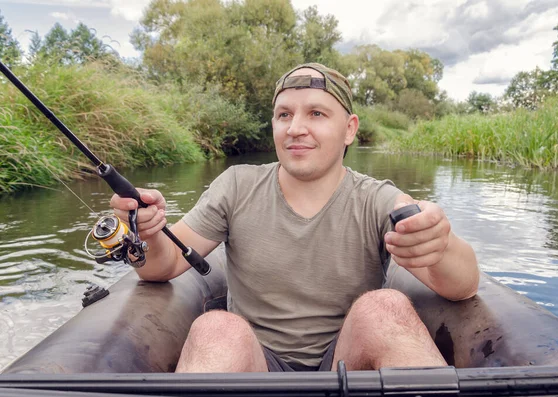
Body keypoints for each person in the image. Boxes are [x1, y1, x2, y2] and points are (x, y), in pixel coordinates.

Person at [110, 63, 479, 373]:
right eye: (284, 114)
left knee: (385, 308)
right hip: (257, 365)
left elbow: (464, 285)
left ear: (350, 128)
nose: (295, 128)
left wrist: (440, 244)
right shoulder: (236, 186)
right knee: (215, 327)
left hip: (345, 364)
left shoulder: (379, 199)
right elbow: (163, 265)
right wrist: (148, 232)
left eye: (316, 113)